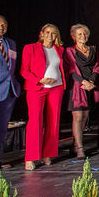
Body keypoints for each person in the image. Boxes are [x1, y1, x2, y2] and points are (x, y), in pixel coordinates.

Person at [20, 23, 65, 170]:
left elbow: (60, 68)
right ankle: (31, 157)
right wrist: (39, 80)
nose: (50, 36)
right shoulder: (30, 48)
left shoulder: (59, 49)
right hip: (37, 88)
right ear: (42, 33)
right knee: (35, 121)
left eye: (53, 33)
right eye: (47, 32)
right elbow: (24, 71)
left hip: (56, 88)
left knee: (53, 121)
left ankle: (48, 154)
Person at [64, 24, 99, 159]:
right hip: (77, 87)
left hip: (90, 86)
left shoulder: (92, 49)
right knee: (78, 117)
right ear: (74, 36)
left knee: (85, 118)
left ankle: (75, 145)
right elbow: (71, 69)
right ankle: (80, 149)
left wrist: (91, 81)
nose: (83, 36)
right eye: (79, 34)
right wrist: (83, 82)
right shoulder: (69, 50)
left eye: (85, 34)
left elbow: (97, 67)